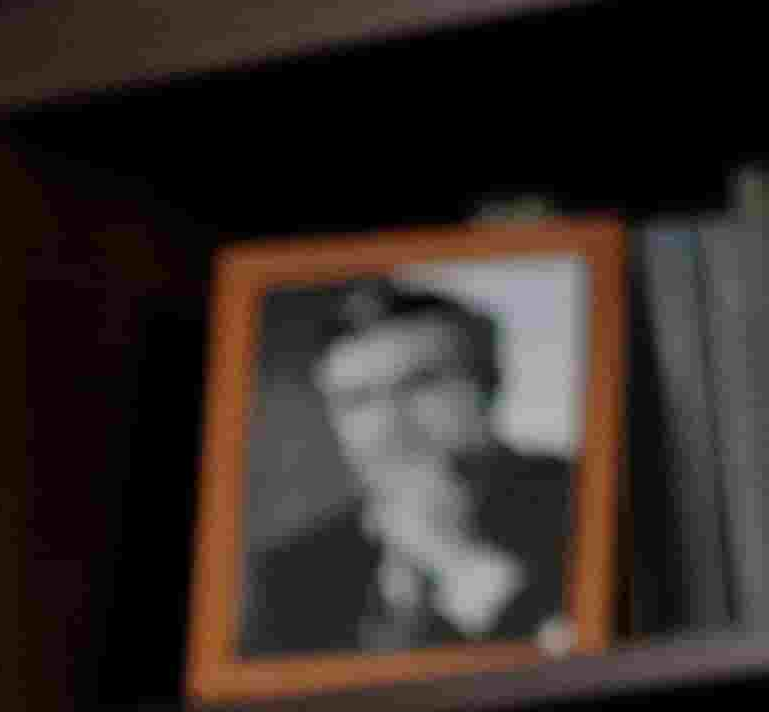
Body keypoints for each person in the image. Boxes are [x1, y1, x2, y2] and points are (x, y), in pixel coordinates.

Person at [240, 277, 583, 654]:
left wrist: (459, 561)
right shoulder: (293, 572)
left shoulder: (587, 501)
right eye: (357, 400)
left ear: (490, 384)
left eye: (420, 385)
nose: (390, 423)